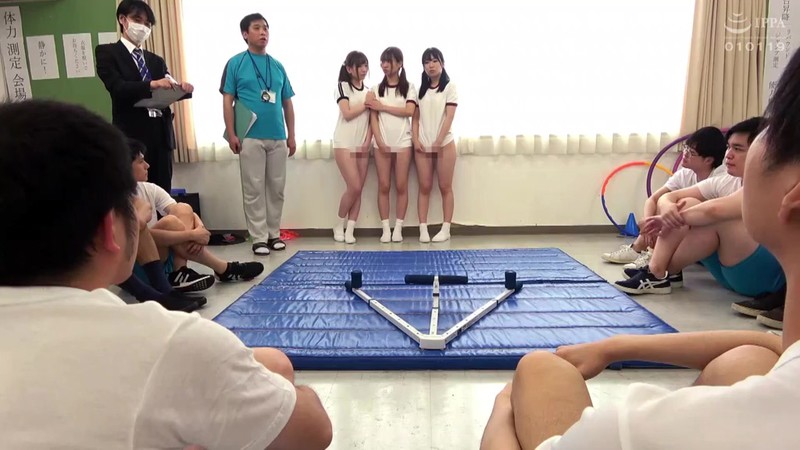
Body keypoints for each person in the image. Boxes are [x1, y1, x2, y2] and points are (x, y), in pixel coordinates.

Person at [479, 47, 800, 450]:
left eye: (773, 127)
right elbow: (775, 346)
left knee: (538, 366)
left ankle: (655, 272)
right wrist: (617, 346)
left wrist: (503, 407)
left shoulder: (635, 430)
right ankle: (654, 269)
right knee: (749, 357)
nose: (735, 154)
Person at [0, 99, 332, 449]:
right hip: (184, 346)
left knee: (272, 362)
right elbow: (313, 430)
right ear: (108, 229)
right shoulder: (169, 342)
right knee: (275, 369)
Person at [614, 117, 785, 298]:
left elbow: (714, 210)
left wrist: (665, 219)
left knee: (714, 217)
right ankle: (661, 271)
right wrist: (668, 209)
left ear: (762, 151)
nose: (728, 155)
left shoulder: (769, 183)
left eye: (737, 149)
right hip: (732, 271)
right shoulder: (726, 180)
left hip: (762, 276)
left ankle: (656, 270)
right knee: (687, 203)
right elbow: (666, 197)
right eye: (728, 147)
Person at [129, 139, 265, 289]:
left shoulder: (149, 189)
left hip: (163, 258)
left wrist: (200, 229)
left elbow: (187, 212)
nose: (147, 165)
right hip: (142, 265)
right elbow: (142, 236)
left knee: (183, 207)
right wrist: (192, 235)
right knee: (170, 223)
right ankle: (223, 268)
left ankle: (180, 271)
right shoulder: (116, 199)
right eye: (141, 162)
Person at [95, 0, 193, 193]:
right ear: (123, 19)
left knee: (162, 193)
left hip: (161, 135)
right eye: (137, 20)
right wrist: (151, 84)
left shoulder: (156, 60)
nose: (143, 27)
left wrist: (182, 88)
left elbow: (168, 84)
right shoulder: (107, 53)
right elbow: (118, 88)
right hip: (133, 135)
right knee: (136, 193)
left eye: (148, 24)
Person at [221, 13, 296, 255]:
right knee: (253, 188)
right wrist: (233, 133)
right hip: (249, 135)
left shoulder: (277, 66)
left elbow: (287, 103)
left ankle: (274, 234)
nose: (263, 32)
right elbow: (228, 100)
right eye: (257, 28)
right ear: (245, 34)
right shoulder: (235, 63)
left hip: (277, 135)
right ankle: (259, 238)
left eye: (266, 28)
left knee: (277, 188)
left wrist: (291, 135)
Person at [601, 126, 728, 267]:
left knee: (685, 204)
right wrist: (648, 223)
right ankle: (641, 249)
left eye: (691, 153)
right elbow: (654, 199)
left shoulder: (722, 179)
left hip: (708, 235)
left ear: (708, 160)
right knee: (666, 204)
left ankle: (652, 258)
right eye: (685, 148)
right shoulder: (685, 173)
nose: (685, 154)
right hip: (686, 229)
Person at [367, 46, 417, 243]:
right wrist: (379, 141)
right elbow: (373, 118)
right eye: (382, 62)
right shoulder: (375, 89)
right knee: (384, 185)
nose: (384, 65)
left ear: (399, 63)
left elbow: (409, 111)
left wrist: (383, 106)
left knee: (401, 185)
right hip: (381, 144)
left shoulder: (409, 87)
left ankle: (398, 228)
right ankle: (386, 229)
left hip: (403, 142)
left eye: (388, 61)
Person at [413, 47, 459, 243]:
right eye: (427, 62)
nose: (430, 65)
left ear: (442, 63)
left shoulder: (450, 87)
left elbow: (449, 116)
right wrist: (415, 140)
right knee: (424, 186)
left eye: (434, 61)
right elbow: (415, 119)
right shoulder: (419, 90)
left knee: (445, 186)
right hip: (423, 146)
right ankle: (423, 229)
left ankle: (446, 229)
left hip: (444, 144)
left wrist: (439, 141)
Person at [332, 51, 372, 244]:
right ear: (349, 68)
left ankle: (350, 230)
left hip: (362, 145)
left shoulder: (369, 91)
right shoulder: (342, 87)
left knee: (358, 189)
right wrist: (366, 104)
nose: (364, 70)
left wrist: (367, 141)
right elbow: (347, 113)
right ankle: (338, 224)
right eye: (359, 66)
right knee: (354, 186)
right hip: (344, 143)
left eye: (366, 66)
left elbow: (372, 121)